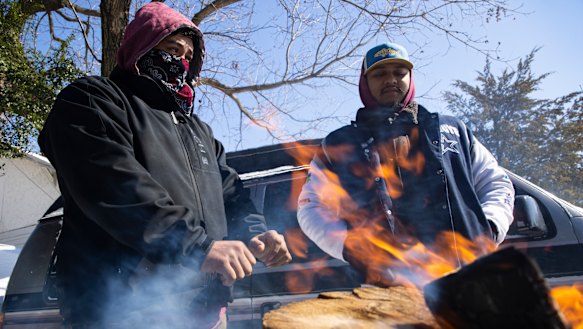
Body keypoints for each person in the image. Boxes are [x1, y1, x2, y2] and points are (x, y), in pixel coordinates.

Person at [38, 2, 291, 328]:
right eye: (172, 49)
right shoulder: (93, 99)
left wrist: (257, 233)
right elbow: (113, 184)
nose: (180, 63)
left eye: (188, 57)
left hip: (205, 310)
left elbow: (231, 193)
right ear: (142, 44)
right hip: (120, 309)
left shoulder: (199, 131)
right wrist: (199, 246)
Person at [297, 42, 515, 287]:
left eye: (399, 72)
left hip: (468, 281)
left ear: (410, 78)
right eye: (379, 74)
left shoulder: (452, 130)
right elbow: (310, 206)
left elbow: (497, 183)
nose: (390, 79)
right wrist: (351, 247)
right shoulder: (337, 144)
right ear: (365, 82)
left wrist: (491, 228)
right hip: (388, 290)